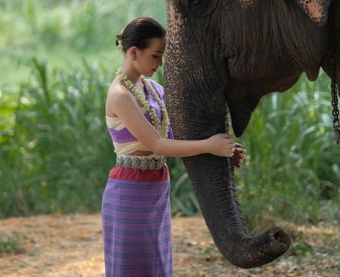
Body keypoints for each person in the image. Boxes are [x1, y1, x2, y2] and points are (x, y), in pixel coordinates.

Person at [101, 17, 245, 277]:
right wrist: (209, 146)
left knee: (157, 266)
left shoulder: (154, 90)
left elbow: (178, 136)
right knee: (132, 268)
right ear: (134, 52)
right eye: (155, 56)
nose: (160, 64)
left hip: (156, 186)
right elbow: (157, 143)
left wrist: (223, 152)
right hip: (130, 191)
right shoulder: (120, 95)